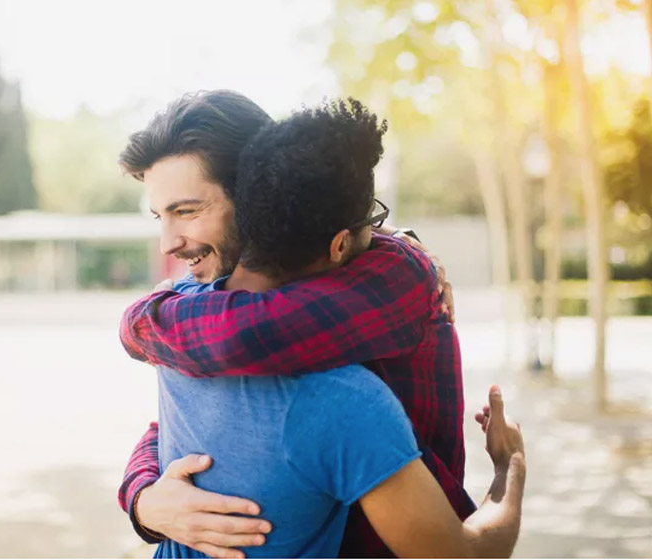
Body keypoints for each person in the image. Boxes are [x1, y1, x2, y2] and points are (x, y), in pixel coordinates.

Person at [120, 100, 526, 558]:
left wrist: (141, 320)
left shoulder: (392, 278)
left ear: (251, 192)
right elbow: (181, 417)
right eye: (160, 216)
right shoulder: (197, 309)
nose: (168, 243)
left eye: (187, 211)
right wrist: (144, 500)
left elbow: (244, 336)